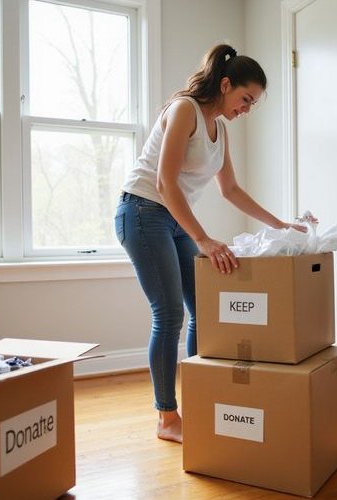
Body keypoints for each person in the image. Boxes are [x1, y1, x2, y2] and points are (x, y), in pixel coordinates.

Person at [115, 44, 304, 443]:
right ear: (225, 84)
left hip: (173, 217)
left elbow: (231, 189)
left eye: (253, 104)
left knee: (204, 311)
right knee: (168, 315)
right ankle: (167, 417)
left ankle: (201, 400)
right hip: (142, 211)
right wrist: (202, 238)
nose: (247, 108)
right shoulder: (184, 109)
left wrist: (280, 224)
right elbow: (165, 182)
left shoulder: (222, 130)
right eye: (245, 98)